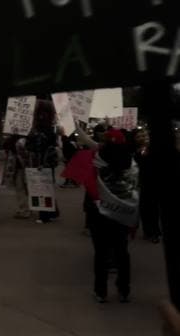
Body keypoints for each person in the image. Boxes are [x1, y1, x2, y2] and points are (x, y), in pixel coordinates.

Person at [64, 127, 137, 303]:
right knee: (122, 251)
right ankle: (123, 289)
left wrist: (76, 127)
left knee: (101, 252)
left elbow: (87, 144)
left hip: (99, 212)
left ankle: (101, 290)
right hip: (123, 213)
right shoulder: (132, 164)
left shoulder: (96, 158)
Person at [133, 128, 161, 243]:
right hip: (141, 183)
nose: (143, 138)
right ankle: (149, 232)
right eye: (139, 136)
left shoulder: (149, 149)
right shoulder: (136, 151)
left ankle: (154, 231)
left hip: (152, 183)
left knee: (153, 208)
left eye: (144, 135)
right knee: (145, 208)